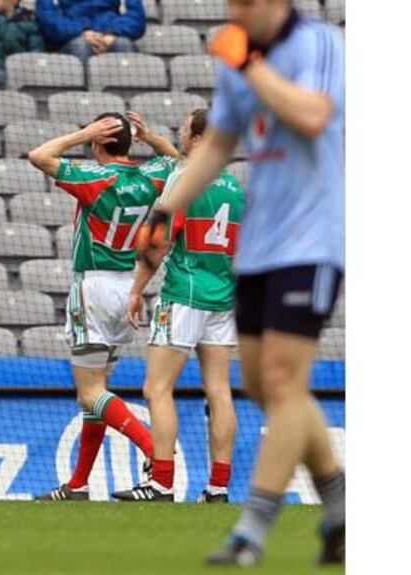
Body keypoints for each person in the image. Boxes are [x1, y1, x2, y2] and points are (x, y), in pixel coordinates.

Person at [136, 0, 345, 565]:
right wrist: (165, 209)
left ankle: (251, 528)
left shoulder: (317, 44)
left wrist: (250, 64)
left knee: (281, 379)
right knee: (260, 383)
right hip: (258, 247)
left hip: (314, 237)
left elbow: (312, 115)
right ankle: (341, 501)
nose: (237, 10)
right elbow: (220, 147)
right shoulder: (237, 56)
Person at [29, 114, 166, 502]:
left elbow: (39, 155)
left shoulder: (95, 180)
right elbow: (176, 161)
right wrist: (152, 137)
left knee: (89, 393)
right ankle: (78, 484)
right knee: (97, 392)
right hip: (128, 289)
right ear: (129, 144)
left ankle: (155, 449)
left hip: (93, 286)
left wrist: (82, 133)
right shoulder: (149, 178)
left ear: (98, 144)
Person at [109, 110, 244, 504]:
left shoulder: (183, 181)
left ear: (200, 139)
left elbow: (158, 242)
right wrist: (152, 140)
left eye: (185, 129)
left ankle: (161, 484)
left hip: (183, 295)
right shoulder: (235, 188)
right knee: (219, 391)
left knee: (157, 387)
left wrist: (136, 289)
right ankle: (217, 489)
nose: (180, 134)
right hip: (223, 297)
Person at [35, 0, 146, 63]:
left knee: (123, 44)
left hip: (110, 37)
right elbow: (48, 20)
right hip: (70, 42)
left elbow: (136, 19)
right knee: (81, 45)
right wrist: (81, 32)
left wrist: (112, 33)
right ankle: (84, 100)